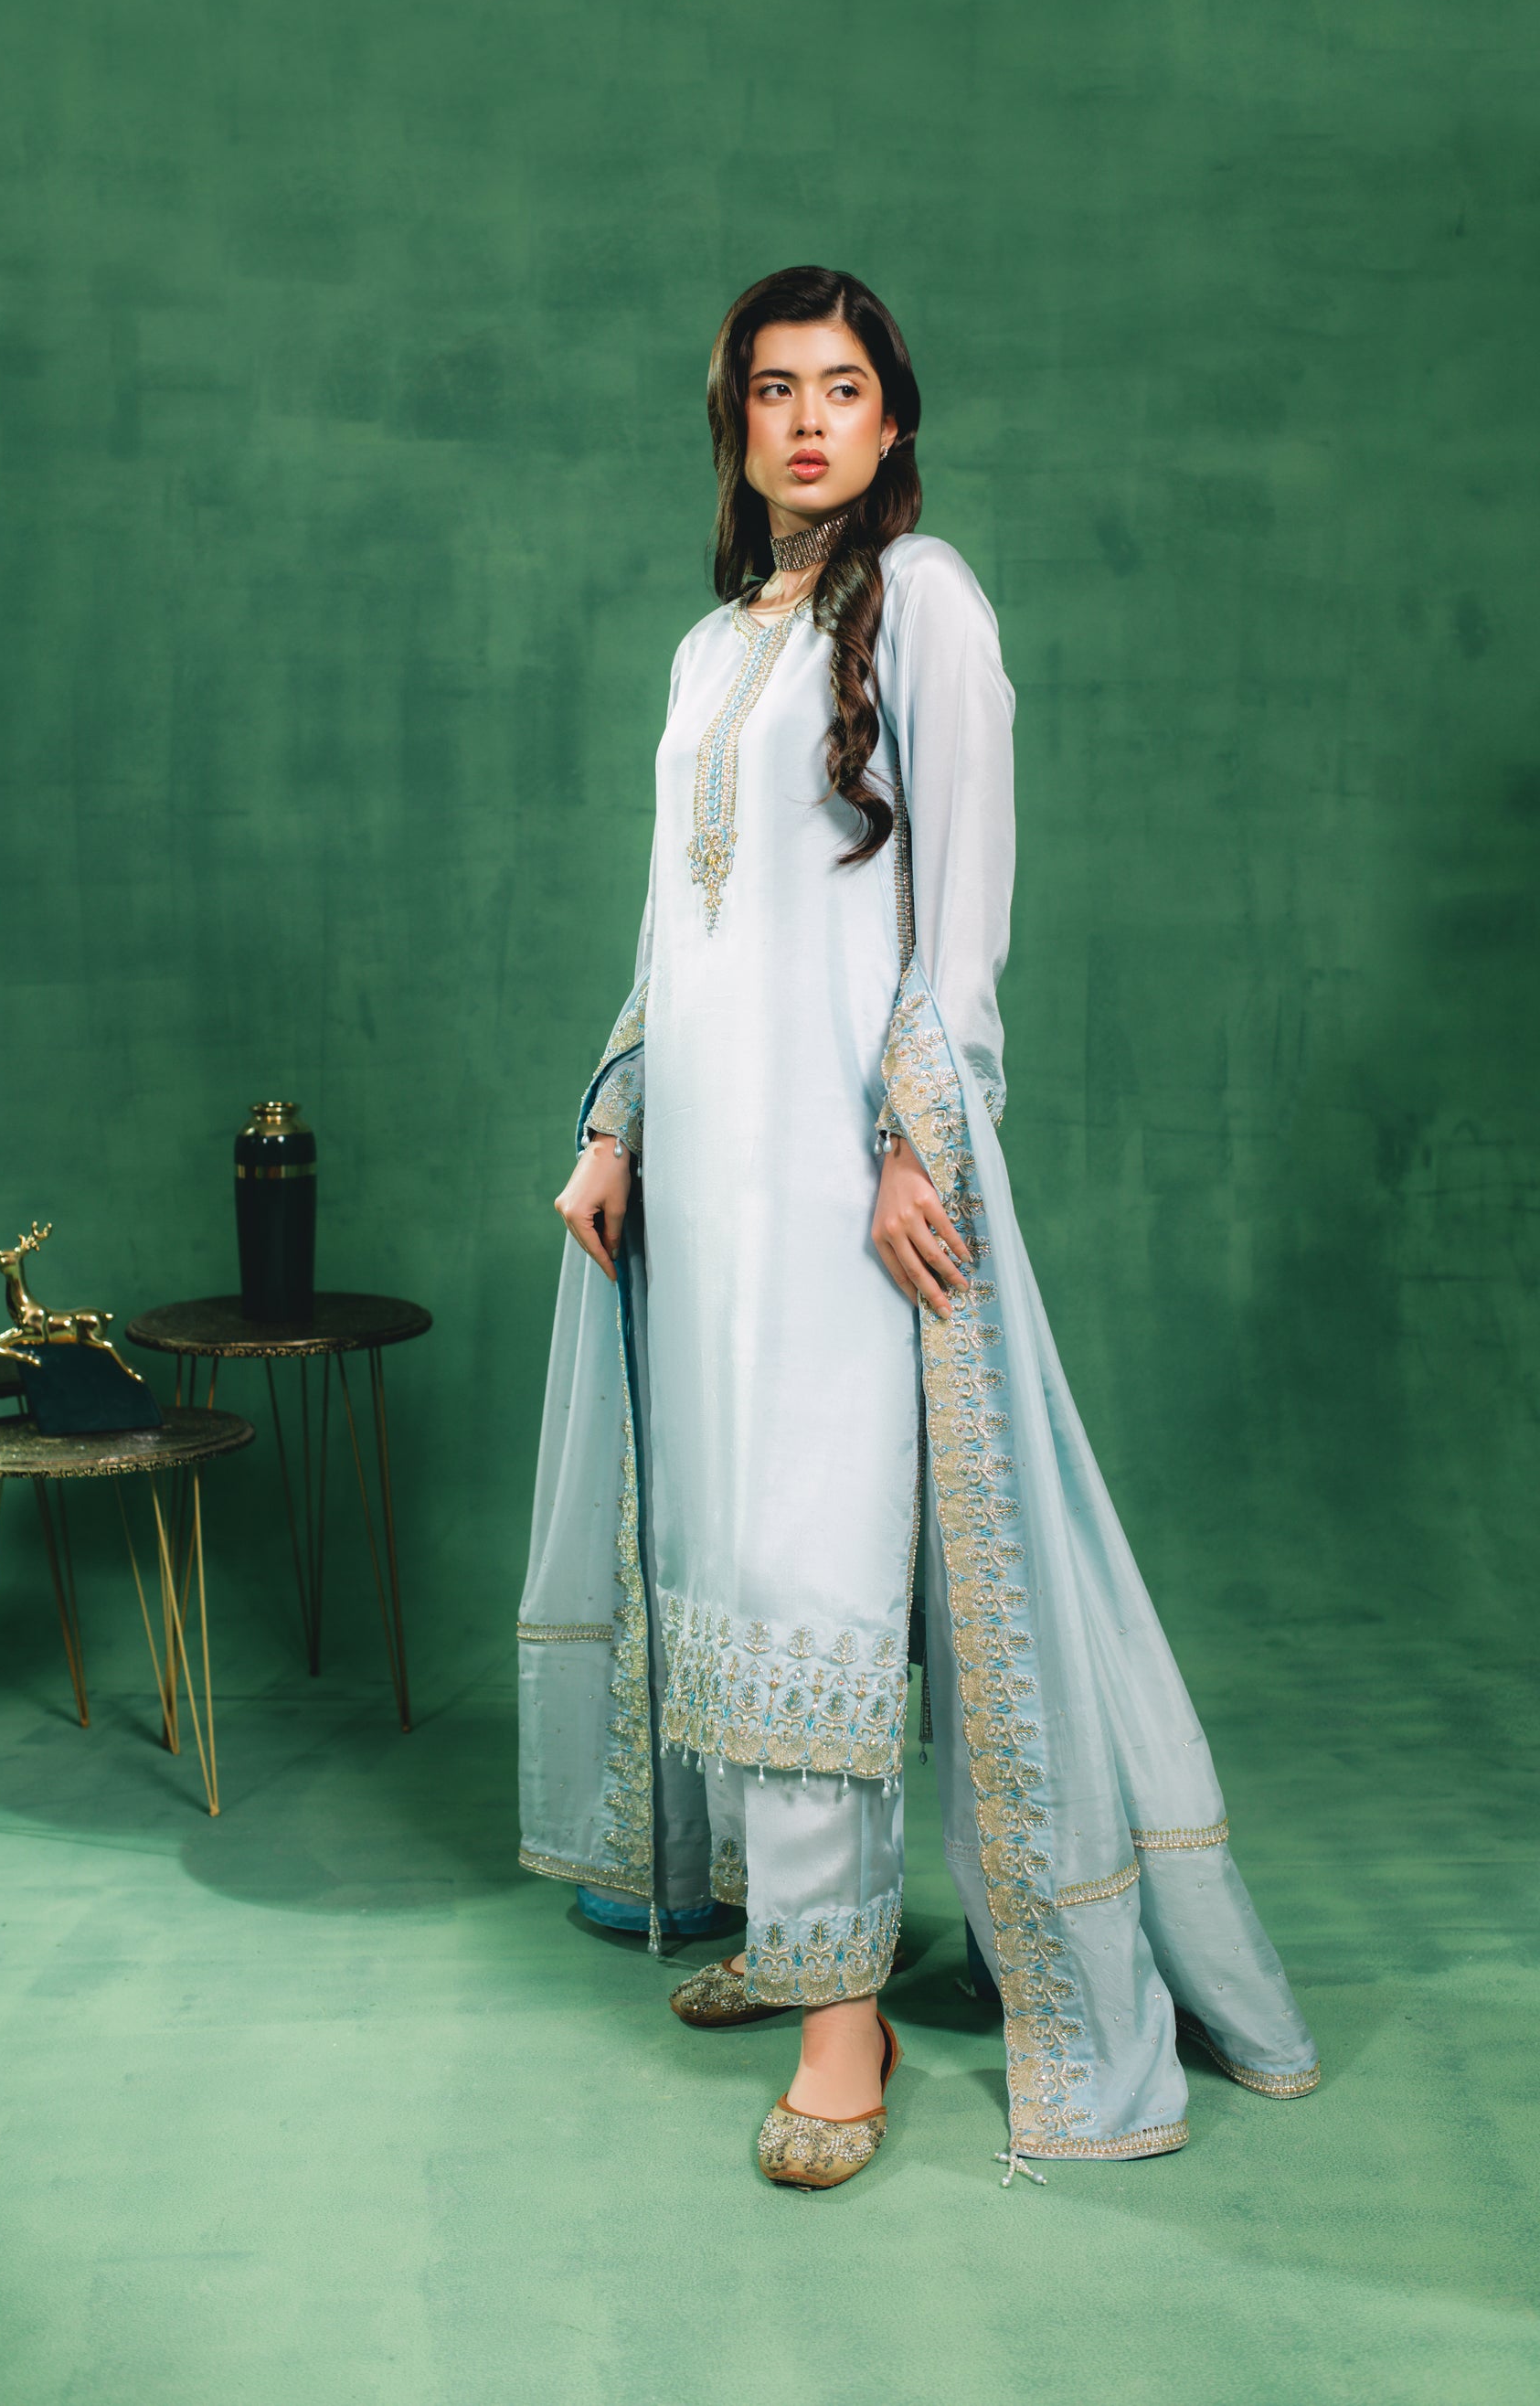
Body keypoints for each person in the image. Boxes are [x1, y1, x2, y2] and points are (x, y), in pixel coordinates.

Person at [517, 265, 1319, 2188]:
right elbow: (674, 928)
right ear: (733, 423)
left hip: (844, 1180)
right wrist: (616, 1122)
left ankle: (844, 2031)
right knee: (730, 1549)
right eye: (772, 390)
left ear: (891, 420)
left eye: (842, 388)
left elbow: (960, 919)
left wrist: (916, 1148)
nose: (806, 422)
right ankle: (806, 1941)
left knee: (814, 1568)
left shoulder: (928, 602)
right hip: (709, 1186)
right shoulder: (710, 649)